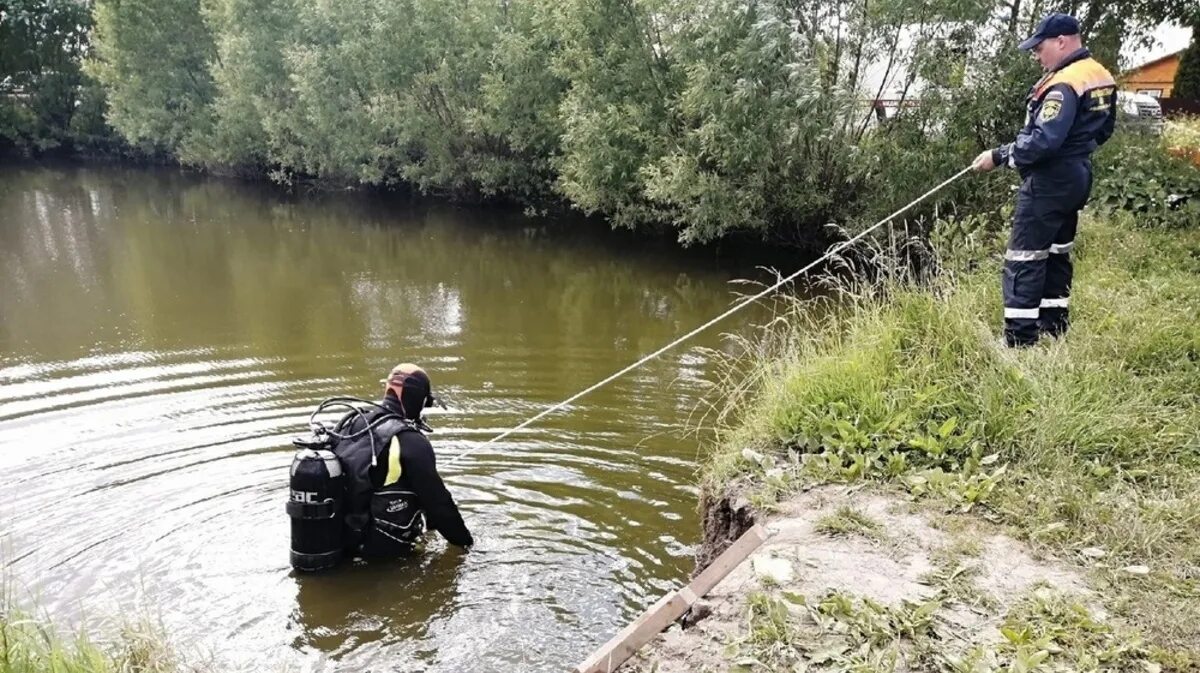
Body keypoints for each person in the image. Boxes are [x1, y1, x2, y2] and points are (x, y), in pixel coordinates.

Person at [972, 13, 1116, 347]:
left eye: (1040, 48)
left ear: (1061, 41)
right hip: (1078, 175)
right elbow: (1105, 131)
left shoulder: (1064, 83)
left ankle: (1019, 340)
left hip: (1050, 180)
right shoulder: (1099, 75)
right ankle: (1053, 326)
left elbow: (1042, 141)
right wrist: (1076, 151)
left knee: (1025, 256)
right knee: (1056, 251)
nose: (1037, 56)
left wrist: (999, 155)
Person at [333, 363, 473, 556]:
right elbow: (439, 505)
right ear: (420, 400)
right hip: (378, 551)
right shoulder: (411, 441)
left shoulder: (353, 423)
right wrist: (467, 545)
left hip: (338, 541)